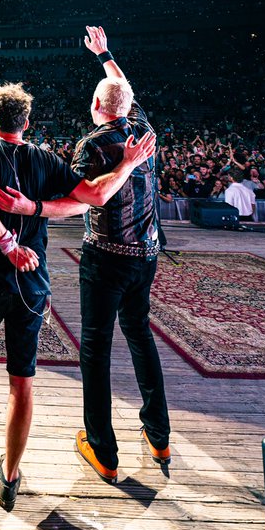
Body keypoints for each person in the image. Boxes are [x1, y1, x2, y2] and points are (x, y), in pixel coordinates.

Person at [0, 81, 155, 511]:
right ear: (28, 122)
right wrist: (127, 164)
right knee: (23, 382)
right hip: (33, 278)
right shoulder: (47, 159)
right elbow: (94, 197)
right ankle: (11, 474)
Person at [67, 26, 170, 484]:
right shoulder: (146, 132)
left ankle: (103, 450)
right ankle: (159, 435)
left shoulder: (91, 146)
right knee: (140, 336)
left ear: (94, 108)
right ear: (127, 108)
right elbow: (124, 90)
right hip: (145, 257)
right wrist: (106, 55)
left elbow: (80, 198)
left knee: (95, 348)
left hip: (106, 260)